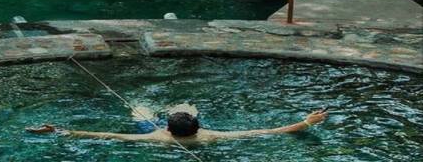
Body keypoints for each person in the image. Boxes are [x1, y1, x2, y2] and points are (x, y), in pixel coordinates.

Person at [26, 103, 328, 145]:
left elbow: (105, 135)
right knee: (185, 105)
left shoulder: (157, 138)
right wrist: (306, 120)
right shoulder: (210, 137)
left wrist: (63, 130)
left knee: (139, 111)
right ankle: (183, 108)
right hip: (187, 130)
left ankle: (171, 109)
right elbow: (268, 131)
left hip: (156, 131)